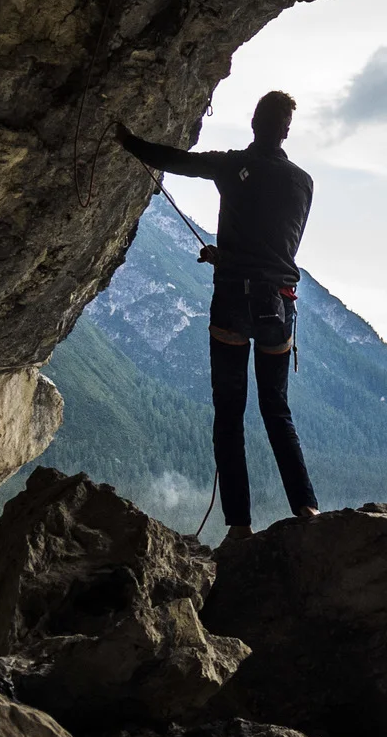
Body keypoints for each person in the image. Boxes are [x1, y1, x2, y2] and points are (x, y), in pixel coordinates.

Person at [113, 91, 320, 543]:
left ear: (253, 122)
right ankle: (307, 508)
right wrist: (228, 255)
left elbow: (174, 160)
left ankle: (239, 527)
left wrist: (128, 141)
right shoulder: (303, 182)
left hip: (232, 302)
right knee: (276, 408)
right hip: (277, 306)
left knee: (229, 413)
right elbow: (276, 244)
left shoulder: (230, 166)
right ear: (286, 129)